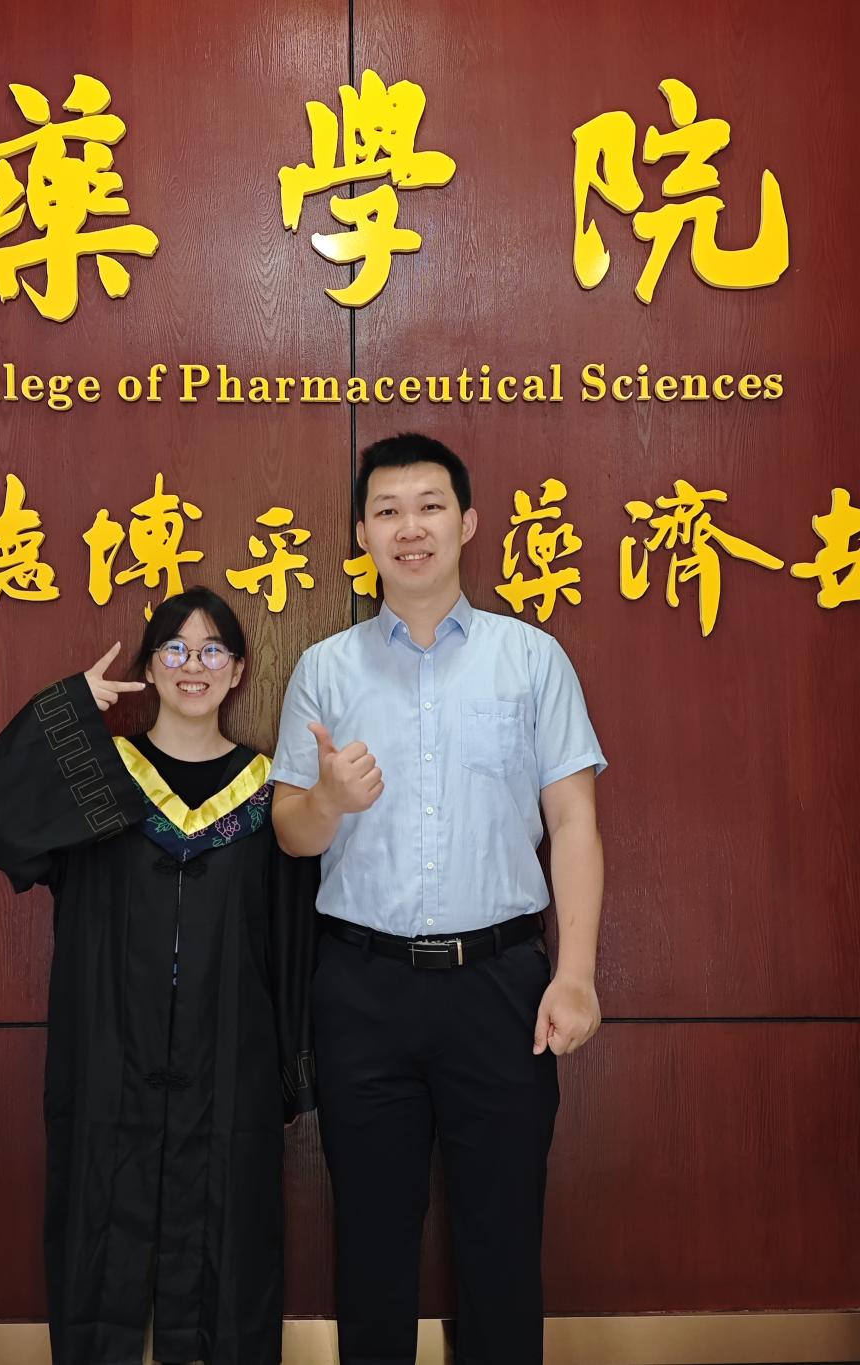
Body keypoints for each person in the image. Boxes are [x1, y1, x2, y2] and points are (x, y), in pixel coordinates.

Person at [270, 433, 606, 1365]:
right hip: (362, 987)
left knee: (503, 1240)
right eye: (387, 511)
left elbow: (574, 821)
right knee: (371, 1242)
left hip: (500, 986)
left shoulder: (530, 658)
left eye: (428, 506)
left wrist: (576, 974)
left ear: (467, 522)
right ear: (361, 534)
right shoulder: (326, 669)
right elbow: (291, 829)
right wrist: (329, 798)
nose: (408, 527)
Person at [0, 587, 317, 1365]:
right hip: (111, 1055)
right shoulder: (102, 780)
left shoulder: (272, 794)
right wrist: (68, 710)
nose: (194, 664)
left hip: (228, 1061)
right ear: (150, 667)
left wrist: (291, 1063)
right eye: (175, 648)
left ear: (238, 670)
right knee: (100, 1219)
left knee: (232, 1239)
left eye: (213, 648)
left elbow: (296, 935)